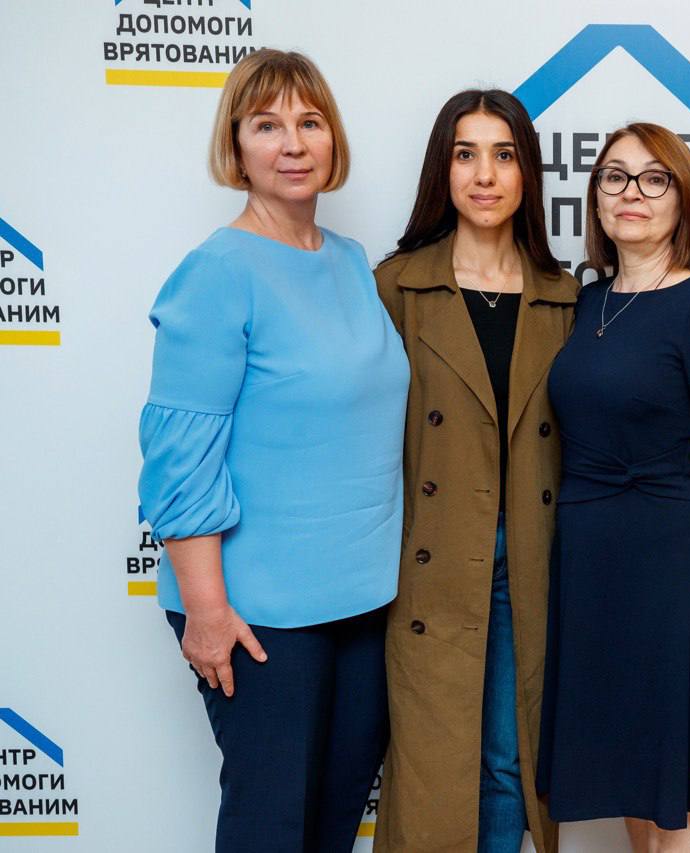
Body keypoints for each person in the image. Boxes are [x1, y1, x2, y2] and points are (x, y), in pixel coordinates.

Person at [137, 49, 408, 852]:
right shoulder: (218, 271)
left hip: (363, 604)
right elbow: (180, 456)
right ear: (237, 145)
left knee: (330, 827)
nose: (292, 143)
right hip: (258, 613)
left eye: (309, 122)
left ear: (333, 140)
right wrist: (207, 611)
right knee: (270, 827)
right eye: (267, 125)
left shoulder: (350, 261)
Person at [536, 122, 690, 853]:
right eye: (615, 176)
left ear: (683, 198)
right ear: (596, 199)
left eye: (653, 177)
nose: (632, 192)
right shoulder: (584, 304)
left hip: (672, 574)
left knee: (676, 799)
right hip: (588, 574)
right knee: (630, 784)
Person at [372, 89, 577, 853]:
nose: (484, 175)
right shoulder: (397, 286)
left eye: (503, 154)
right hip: (427, 562)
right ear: (443, 169)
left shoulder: (565, 297)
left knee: (508, 763)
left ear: (528, 172)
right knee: (432, 771)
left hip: (530, 559)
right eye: (466, 154)